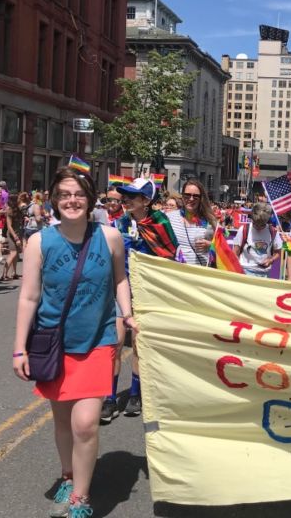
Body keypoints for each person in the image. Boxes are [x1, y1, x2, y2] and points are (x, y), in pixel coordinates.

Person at [13, 167, 133, 518]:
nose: (72, 200)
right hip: (54, 344)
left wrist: (126, 315)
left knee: (85, 424)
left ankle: (80, 498)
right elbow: (29, 298)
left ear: (89, 198)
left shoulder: (109, 237)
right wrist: (19, 348)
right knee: (63, 421)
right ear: (54, 200)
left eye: (78, 194)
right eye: (64, 194)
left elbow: (120, 278)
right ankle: (68, 474)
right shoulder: (39, 242)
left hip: (97, 341)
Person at [107, 178, 178, 422]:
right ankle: (109, 396)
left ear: (145, 201)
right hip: (121, 289)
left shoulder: (160, 222)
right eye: (124, 195)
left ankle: (136, 394)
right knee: (114, 343)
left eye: (131, 196)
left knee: (138, 344)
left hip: (147, 291)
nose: (125, 200)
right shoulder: (119, 223)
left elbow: (168, 254)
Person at [167, 179, 216, 267]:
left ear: (201, 198)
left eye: (196, 196)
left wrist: (210, 246)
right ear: (182, 196)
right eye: (187, 195)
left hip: (199, 274)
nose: (191, 199)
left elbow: (223, 249)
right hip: (175, 273)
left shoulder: (209, 221)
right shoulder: (169, 218)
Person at [232, 203, 282, 278]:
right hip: (245, 271)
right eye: (255, 224)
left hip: (264, 274)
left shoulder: (273, 231)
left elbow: (278, 252)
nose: (258, 227)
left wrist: (270, 260)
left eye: (262, 225)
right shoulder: (244, 229)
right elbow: (235, 252)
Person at [2, 193, 23, 280]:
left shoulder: (18, 210)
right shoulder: (9, 211)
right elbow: (9, 226)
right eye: (18, 199)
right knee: (13, 253)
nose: (19, 200)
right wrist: (16, 237)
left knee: (16, 254)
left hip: (18, 233)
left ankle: (14, 273)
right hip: (12, 234)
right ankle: (4, 274)